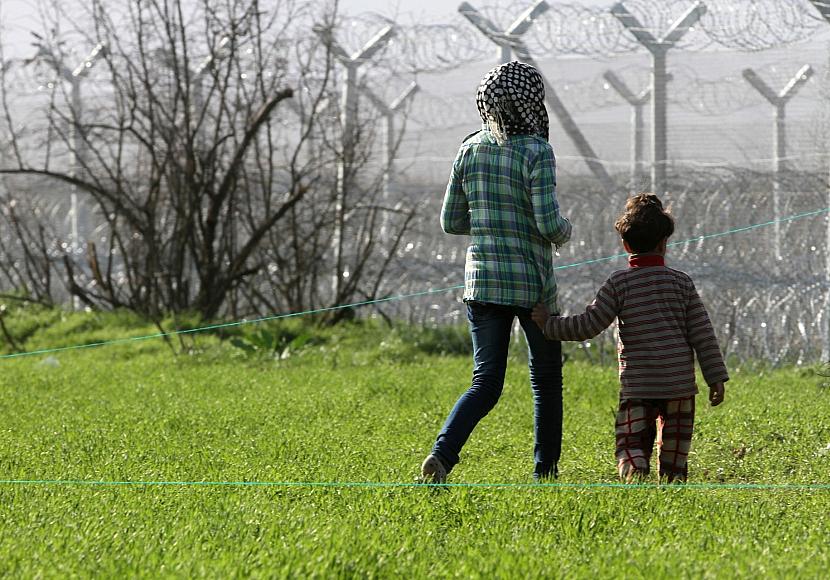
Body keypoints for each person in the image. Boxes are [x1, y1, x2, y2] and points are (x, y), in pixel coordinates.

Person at [421, 61, 572, 484]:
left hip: (482, 282)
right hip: (532, 285)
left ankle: (442, 455)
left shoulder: (469, 148)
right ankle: (545, 472)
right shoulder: (537, 151)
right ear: (531, 103)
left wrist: (491, 222)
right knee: (545, 379)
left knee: (485, 381)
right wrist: (565, 232)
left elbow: (451, 221)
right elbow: (548, 222)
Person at [531, 193, 727, 483]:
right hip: (679, 386)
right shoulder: (681, 283)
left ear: (625, 244)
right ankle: (672, 490)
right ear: (664, 243)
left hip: (638, 385)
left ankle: (635, 476)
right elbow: (703, 334)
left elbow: (589, 324)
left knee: (630, 445)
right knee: (675, 456)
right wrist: (715, 377)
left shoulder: (619, 284)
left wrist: (549, 324)